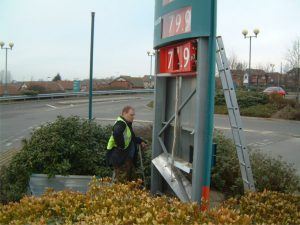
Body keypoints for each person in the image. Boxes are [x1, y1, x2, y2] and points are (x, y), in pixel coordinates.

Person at [106, 105, 147, 182]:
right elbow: (117, 133)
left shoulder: (126, 124)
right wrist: (122, 147)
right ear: (124, 113)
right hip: (120, 157)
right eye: (131, 115)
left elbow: (131, 137)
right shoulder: (121, 124)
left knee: (129, 181)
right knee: (121, 182)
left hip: (125, 158)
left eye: (133, 115)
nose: (133, 117)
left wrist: (141, 141)